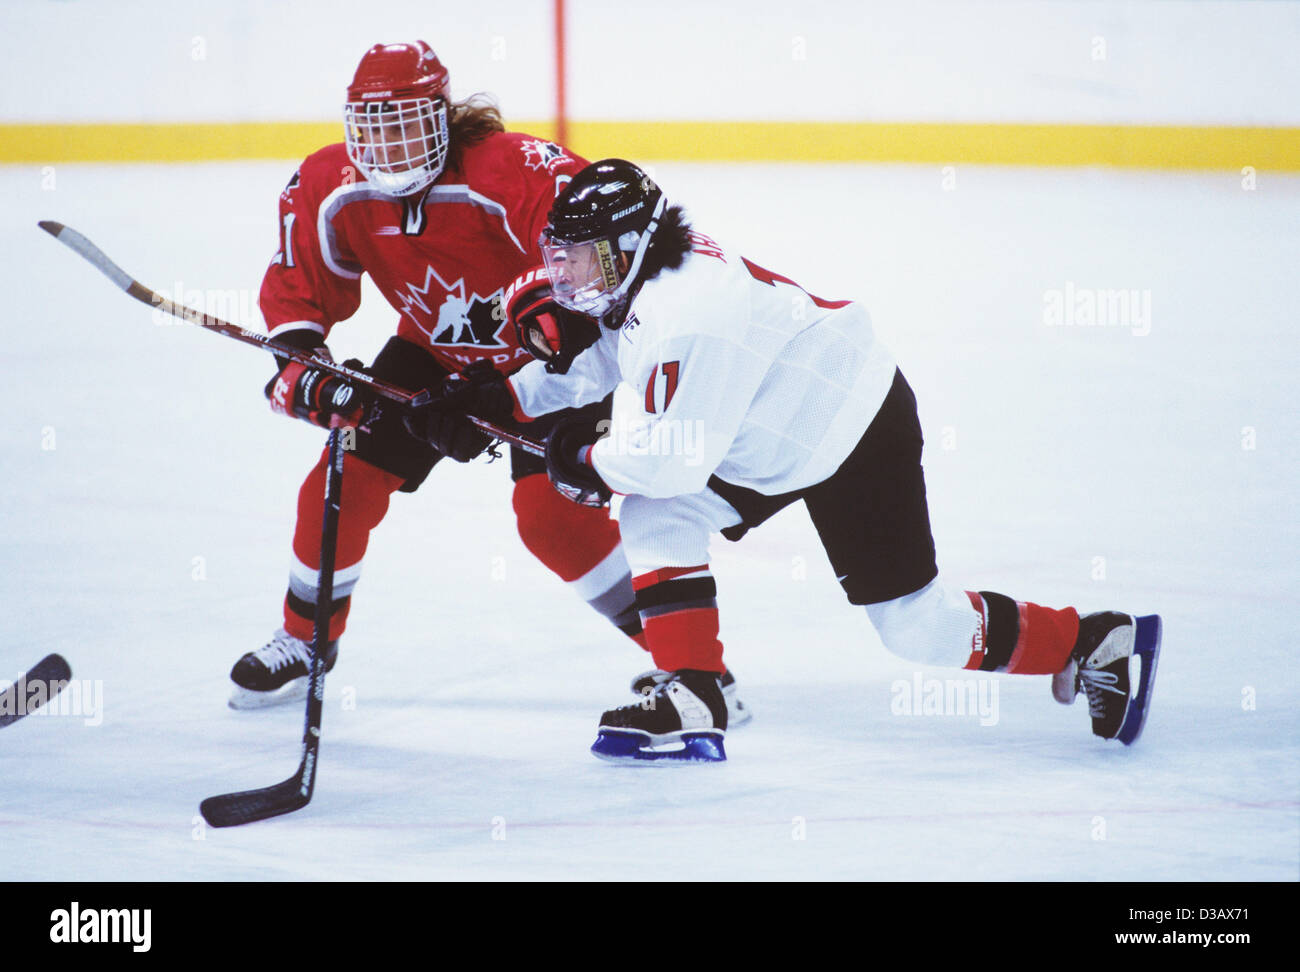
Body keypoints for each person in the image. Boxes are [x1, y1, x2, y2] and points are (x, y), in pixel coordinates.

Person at [419, 159, 1163, 763]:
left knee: (915, 627)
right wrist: (500, 396)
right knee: (657, 513)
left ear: (627, 247)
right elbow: (612, 359)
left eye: (582, 257)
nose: (569, 273)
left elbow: (666, 461)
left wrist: (577, 452)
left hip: (849, 422)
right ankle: (696, 689)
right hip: (767, 419)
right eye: (563, 256)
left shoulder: (687, 315)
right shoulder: (650, 280)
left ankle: (1092, 638)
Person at [231, 43, 751, 726]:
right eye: (372, 127)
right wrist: (307, 370)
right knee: (342, 480)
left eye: (406, 123)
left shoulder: (505, 168)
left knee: (552, 523)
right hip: (433, 355)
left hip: (548, 364)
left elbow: (591, 255)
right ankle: (305, 643)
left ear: (443, 116)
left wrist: (546, 339)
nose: (387, 146)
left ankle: (693, 672)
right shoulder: (334, 184)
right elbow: (302, 292)